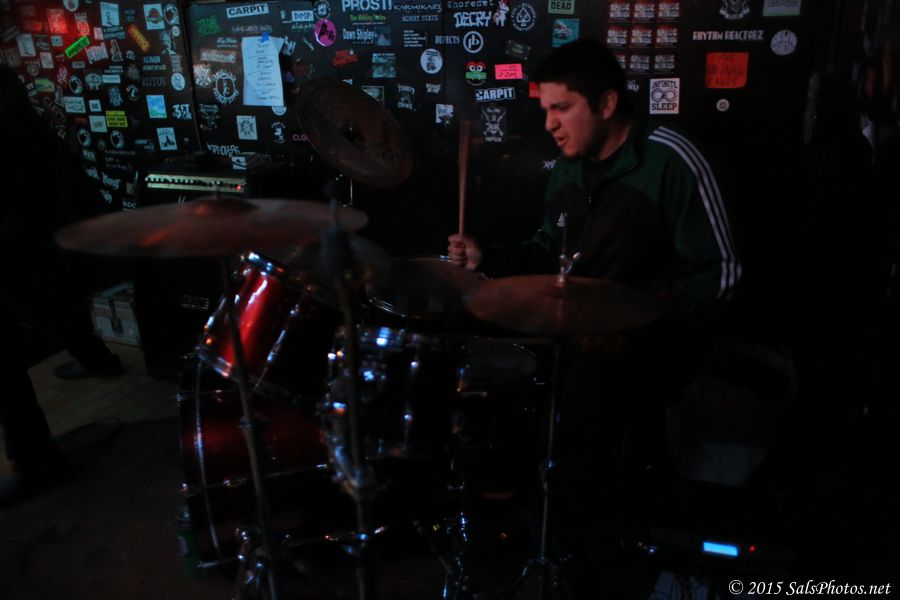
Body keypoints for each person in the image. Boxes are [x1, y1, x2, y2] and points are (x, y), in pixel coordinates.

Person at [447, 39, 741, 590]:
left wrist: (637, 327)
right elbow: (547, 256)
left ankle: (600, 566)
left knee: (586, 424)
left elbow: (720, 276)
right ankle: (550, 549)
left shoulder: (671, 160)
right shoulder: (568, 170)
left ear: (606, 104)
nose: (550, 125)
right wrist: (487, 258)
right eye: (546, 111)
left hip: (655, 351)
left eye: (562, 109)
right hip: (578, 342)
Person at [0, 66, 120, 505]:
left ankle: (37, 463)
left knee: (8, 364)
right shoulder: (25, 127)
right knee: (59, 314)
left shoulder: (12, 140)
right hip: (47, 250)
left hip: (28, 253)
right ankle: (99, 361)